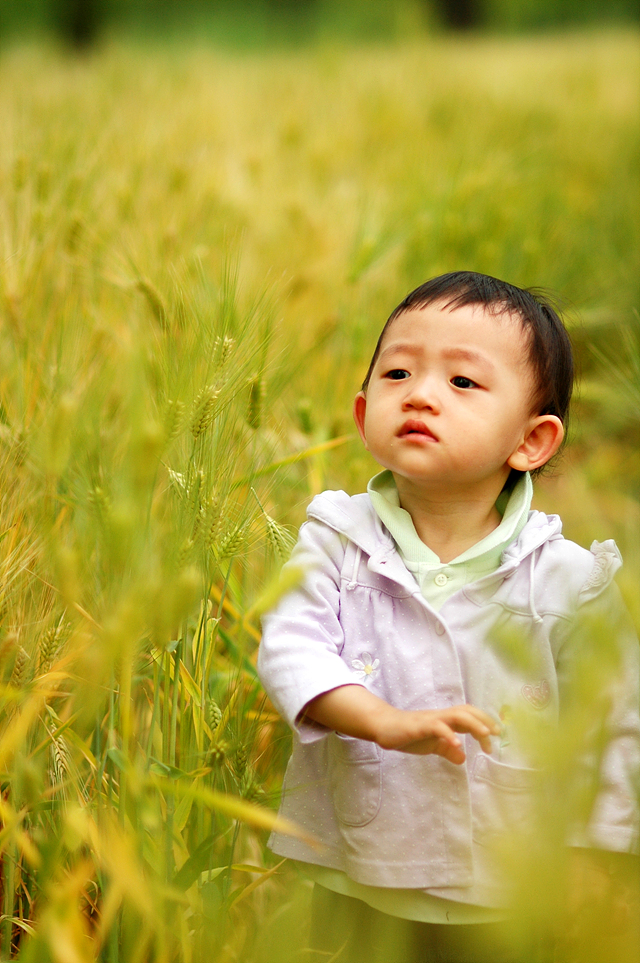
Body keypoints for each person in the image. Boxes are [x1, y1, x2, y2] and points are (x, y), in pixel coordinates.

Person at [257, 272, 640, 963]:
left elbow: (611, 722)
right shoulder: (335, 539)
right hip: (361, 872)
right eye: (398, 371)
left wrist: (597, 852)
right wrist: (384, 720)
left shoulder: (568, 580)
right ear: (361, 408)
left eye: (463, 382)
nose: (421, 393)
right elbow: (291, 644)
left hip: (513, 883)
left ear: (532, 441)